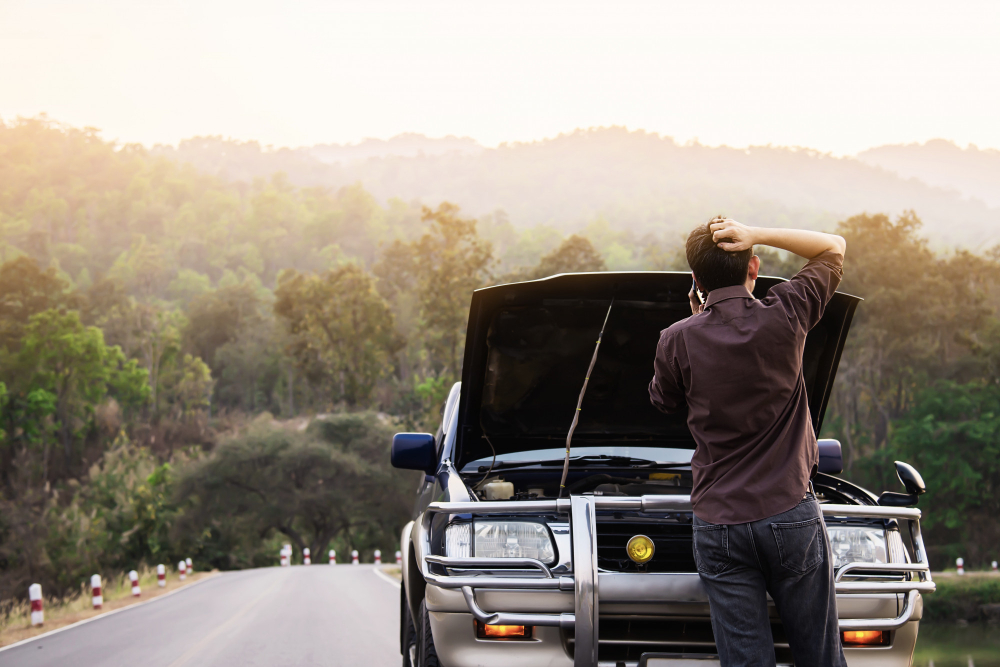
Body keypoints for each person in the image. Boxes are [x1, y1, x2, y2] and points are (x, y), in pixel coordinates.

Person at [648, 217, 848, 667]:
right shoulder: (787, 312)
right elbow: (832, 247)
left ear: (696, 281)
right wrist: (757, 234)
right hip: (790, 513)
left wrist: (696, 324)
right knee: (819, 657)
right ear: (753, 267)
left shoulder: (675, 339)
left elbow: (663, 401)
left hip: (719, 523)